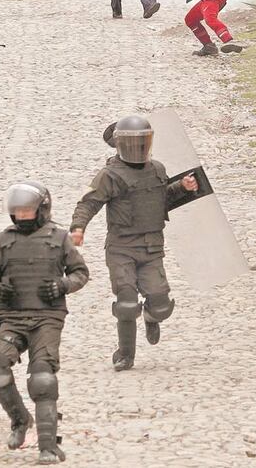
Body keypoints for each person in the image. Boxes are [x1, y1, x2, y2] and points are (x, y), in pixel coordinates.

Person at [70, 116, 198, 372]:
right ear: (120, 144)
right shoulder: (110, 174)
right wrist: (78, 227)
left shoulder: (157, 169)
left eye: (142, 142)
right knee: (127, 304)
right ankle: (125, 354)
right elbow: (89, 202)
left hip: (152, 247)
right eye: (132, 142)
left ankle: (151, 316)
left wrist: (183, 187)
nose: (137, 147)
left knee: (161, 306)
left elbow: (162, 199)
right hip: (121, 248)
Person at [0, 181, 89, 465]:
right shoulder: (3, 241)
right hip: (12, 317)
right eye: (18, 211)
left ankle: (48, 447)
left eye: (27, 211)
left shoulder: (59, 238)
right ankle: (20, 420)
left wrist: (62, 285)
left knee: (42, 378)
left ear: (41, 210)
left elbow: (80, 273)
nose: (22, 216)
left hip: (47, 318)